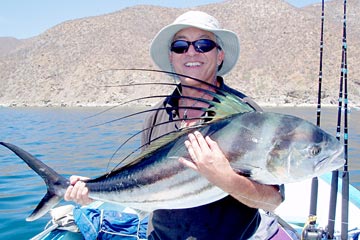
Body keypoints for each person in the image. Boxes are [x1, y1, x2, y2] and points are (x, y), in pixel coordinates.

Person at [65, 11, 284, 240]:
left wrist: (227, 179)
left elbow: (272, 200)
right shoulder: (156, 116)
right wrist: (95, 190)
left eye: (203, 44)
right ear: (172, 56)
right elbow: (143, 180)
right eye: (180, 46)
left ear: (219, 55)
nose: (191, 52)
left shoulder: (247, 116)